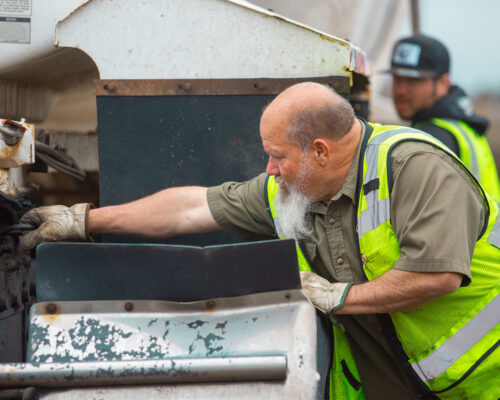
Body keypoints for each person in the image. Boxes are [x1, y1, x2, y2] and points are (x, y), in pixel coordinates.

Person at [20, 83, 500, 399]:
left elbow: (438, 274)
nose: (268, 170)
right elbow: (191, 208)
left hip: (482, 383)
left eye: (276, 156)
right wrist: (84, 220)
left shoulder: (414, 167)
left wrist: (339, 297)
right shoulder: (294, 188)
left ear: (320, 151)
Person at [390, 34, 500, 201]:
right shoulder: (464, 127)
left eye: (413, 80)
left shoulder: (434, 137)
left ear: (443, 83)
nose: (400, 90)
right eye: (397, 79)